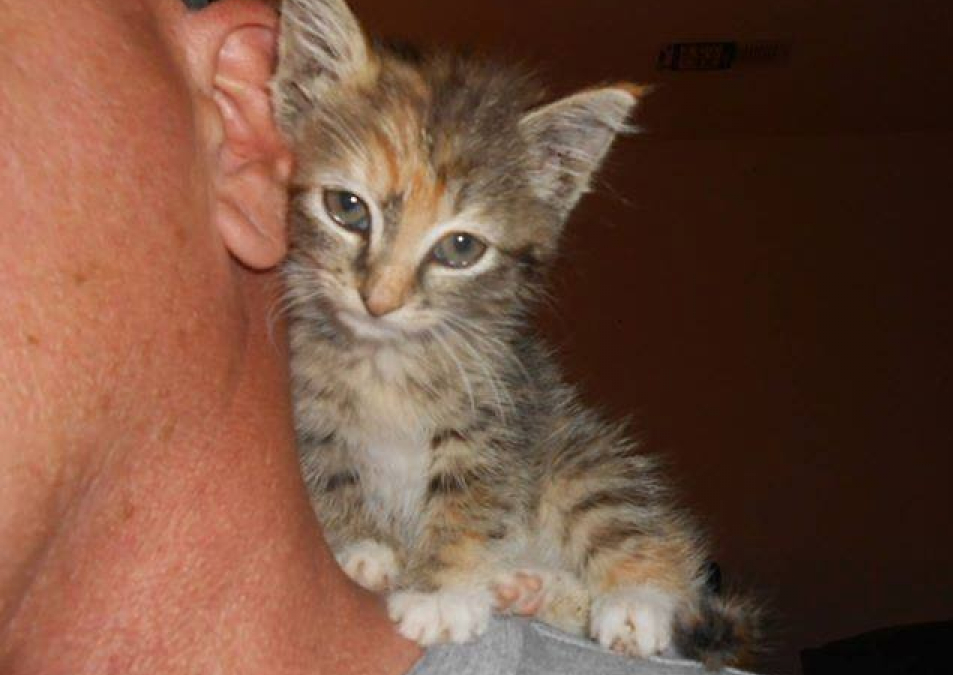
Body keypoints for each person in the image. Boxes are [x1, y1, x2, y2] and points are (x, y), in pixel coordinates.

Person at [0, 1, 747, 673]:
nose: (381, 293)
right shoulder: (301, 351)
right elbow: (327, 461)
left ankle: (645, 579)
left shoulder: (476, 365)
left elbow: (485, 465)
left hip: (502, 541)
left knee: (570, 464)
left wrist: (449, 573)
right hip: (462, 574)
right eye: (350, 210)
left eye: (457, 248)